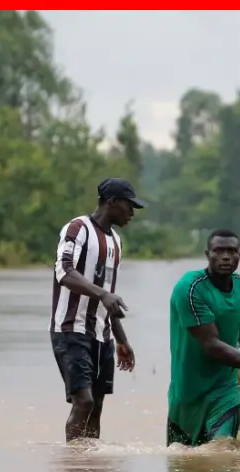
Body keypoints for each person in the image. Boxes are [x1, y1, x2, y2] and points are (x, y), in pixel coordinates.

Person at [167, 229, 240, 448]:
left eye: (232, 251)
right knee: (182, 462)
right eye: (218, 251)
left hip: (225, 389)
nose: (226, 256)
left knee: (222, 449)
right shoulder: (190, 289)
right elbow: (212, 346)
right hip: (187, 391)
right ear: (207, 254)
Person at [50, 177, 141, 443]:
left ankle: (91, 470)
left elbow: (108, 296)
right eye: (129, 205)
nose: (132, 213)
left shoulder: (116, 242)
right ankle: (73, 466)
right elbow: (64, 271)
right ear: (111, 202)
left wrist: (122, 340)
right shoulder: (78, 228)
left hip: (102, 334)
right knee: (84, 401)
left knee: (97, 406)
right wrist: (102, 293)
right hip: (71, 328)